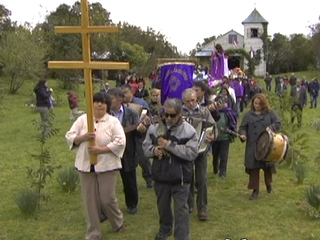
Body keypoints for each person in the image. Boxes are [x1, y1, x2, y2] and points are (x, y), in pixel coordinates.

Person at [65, 92, 126, 240]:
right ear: (92, 104)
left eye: (103, 102)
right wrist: (83, 137)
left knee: (107, 198)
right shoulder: (83, 120)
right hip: (86, 165)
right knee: (89, 200)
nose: (99, 104)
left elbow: (120, 141)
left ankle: (117, 222)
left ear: (107, 106)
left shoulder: (113, 122)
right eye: (97, 102)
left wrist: (101, 150)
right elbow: (69, 136)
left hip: (107, 165)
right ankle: (94, 232)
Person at [142, 98, 198, 240]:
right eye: (166, 114)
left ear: (180, 114)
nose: (168, 118)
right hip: (160, 175)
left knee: (181, 211)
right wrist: (154, 151)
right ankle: (165, 229)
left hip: (180, 177)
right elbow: (145, 147)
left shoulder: (189, 131)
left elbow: (191, 153)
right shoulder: (154, 128)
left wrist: (169, 146)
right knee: (163, 207)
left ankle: (182, 236)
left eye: (172, 115)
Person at [107, 88, 147, 213]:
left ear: (119, 100)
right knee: (107, 181)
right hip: (108, 151)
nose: (107, 101)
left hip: (127, 151)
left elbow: (139, 132)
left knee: (129, 180)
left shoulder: (131, 113)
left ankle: (132, 204)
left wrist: (141, 129)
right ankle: (106, 208)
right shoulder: (105, 113)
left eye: (111, 98)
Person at [181, 88, 217, 221]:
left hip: (201, 150)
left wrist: (212, 136)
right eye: (188, 101)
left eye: (193, 100)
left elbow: (213, 127)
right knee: (187, 178)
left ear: (197, 99)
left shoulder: (204, 111)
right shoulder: (179, 112)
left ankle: (202, 208)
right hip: (185, 150)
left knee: (202, 179)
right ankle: (189, 204)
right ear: (183, 101)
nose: (191, 103)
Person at [238, 93, 281, 200]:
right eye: (255, 103)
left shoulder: (270, 113)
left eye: (259, 104)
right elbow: (242, 127)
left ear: (263, 104)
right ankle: (255, 190)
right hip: (253, 145)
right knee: (254, 168)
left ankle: (269, 185)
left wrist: (270, 128)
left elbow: (278, 122)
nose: (256, 105)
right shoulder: (248, 115)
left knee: (267, 167)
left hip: (267, 144)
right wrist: (242, 134)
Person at [212, 95, 237, 178]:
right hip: (215, 137)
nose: (220, 105)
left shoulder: (228, 112)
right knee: (215, 154)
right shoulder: (213, 112)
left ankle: (222, 173)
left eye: (221, 103)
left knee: (224, 155)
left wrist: (227, 128)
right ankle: (215, 168)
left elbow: (232, 124)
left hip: (225, 137)